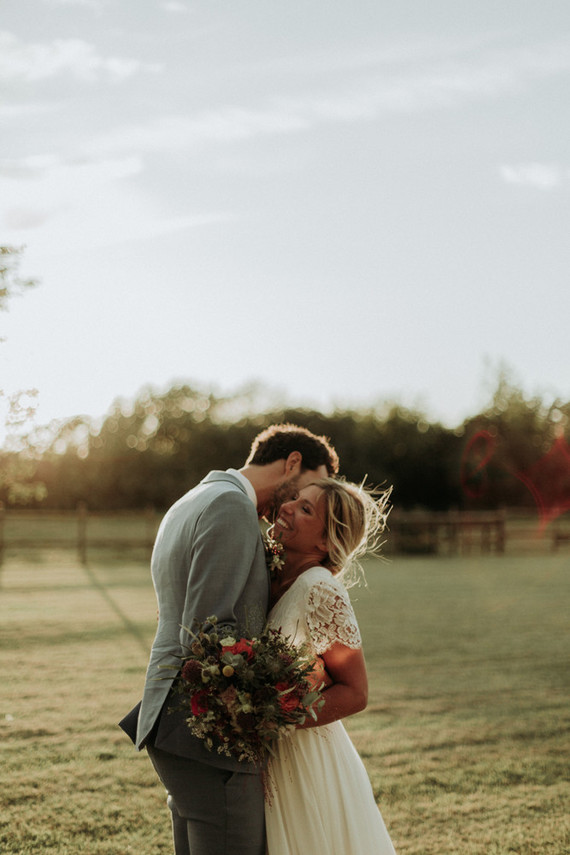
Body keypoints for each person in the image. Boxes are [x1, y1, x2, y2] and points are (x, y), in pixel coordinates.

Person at [119, 424, 339, 855]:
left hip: (172, 720)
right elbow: (211, 636)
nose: (298, 504)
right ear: (292, 462)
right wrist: (275, 700)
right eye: (307, 490)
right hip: (207, 734)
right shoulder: (231, 507)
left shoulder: (195, 498)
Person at [265, 477, 397, 855]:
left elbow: (355, 692)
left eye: (305, 509)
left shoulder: (319, 588)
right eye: (294, 499)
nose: (288, 507)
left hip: (304, 757)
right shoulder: (277, 574)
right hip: (272, 753)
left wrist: (275, 717)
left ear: (326, 541)